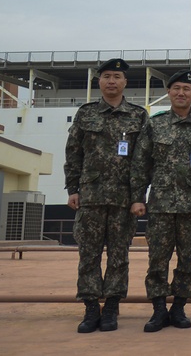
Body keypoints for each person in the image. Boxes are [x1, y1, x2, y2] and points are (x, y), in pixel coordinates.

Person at [64, 58, 148, 333]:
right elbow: (73, 154)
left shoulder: (138, 115)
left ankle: (111, 307)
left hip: (124, 199)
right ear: (99, 81)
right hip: (91, 196)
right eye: (107, 76)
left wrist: (139, 196)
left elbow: (141, 160)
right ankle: (90, 307)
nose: (112, 81)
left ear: (125, 83)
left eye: (117, 77)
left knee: (119, 255)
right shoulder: (85, 114)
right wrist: (73, 189)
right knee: (88, 254)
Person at [130, 69, 191, 332]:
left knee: (188, 260)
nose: (181, 93)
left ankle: (178, 308)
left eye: (186, 89)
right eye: (176, 88)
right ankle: (158, 310)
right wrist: (137, 198)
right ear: (168, 92)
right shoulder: (154, 125)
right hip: (160, 206)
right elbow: (140, 164)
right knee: (157, 259)